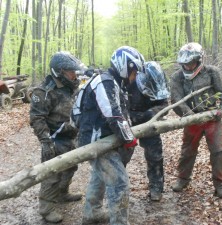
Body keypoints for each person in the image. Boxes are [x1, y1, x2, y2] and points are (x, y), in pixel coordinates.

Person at [71, 46, 143, 225]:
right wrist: (129, 139)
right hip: (96, 141)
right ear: (125, 66)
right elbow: (113, 114)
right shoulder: (105, 81)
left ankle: (92, 213)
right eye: (134, 71)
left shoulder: (115, 82)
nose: (134, 77)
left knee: (100, 176)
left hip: (104, 139)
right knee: (119, 183)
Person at [170, 42, 222, 198]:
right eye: (185, 64)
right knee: (187, 152)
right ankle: (183, 179)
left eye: (191, 63)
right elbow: (176, 99)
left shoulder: (212, 72)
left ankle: (220, 184)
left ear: (198, 60)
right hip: (191, 119)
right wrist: (188, 114)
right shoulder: (177, 77)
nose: (188, 67)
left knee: (219, 151)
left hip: (211, 116)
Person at [30, 51, 84, 223]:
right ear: (59, 71)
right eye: (70, 71)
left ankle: (62, 193)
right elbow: (37, 118)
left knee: (70, 167)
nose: (74, 75)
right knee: (51, 173)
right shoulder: (43, 92)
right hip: (53, 138)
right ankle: (46, 208)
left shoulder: (71, 87)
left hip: (70, 135)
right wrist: (46, 141)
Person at [123, 61, 170, 201]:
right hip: (128, 122)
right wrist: (130, 117)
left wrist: (152, 113)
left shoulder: (158, 80)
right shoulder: (127, 81)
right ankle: (118, 188)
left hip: (149, 122)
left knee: (155, 155)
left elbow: (164, 105)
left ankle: (156, 187)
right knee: (121, 156)